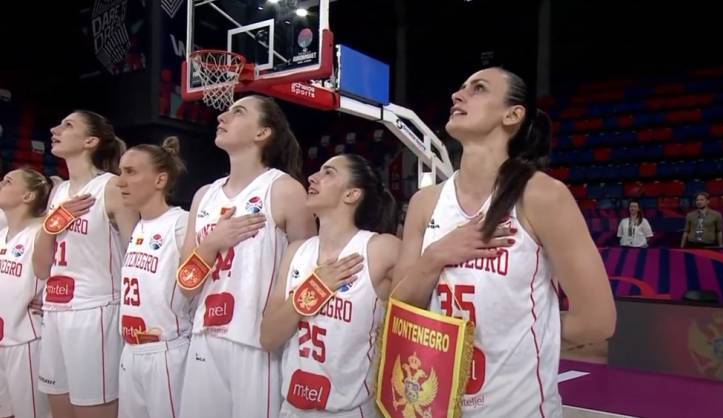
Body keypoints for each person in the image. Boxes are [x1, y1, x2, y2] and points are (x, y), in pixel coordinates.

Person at [391, 67, 616, 417]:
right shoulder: (425, 202)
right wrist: (436, 256)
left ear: (512, 115)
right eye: (461, 87)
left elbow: (598, 320)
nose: (457, 95)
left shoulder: (542, 195)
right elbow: (399, 309)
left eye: (478, 88)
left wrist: (514, 335)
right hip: (437, 406)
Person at [179, 95, 316, 418]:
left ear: (262, 133)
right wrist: (212, 244)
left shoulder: (284, 190)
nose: (222, 117)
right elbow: (185, 285)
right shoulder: (204, 195)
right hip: (204, 335)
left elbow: (306, 268)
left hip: (257, 341)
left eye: (238, 112)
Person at [261, 154, 400, 417]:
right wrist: (314, 289)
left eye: (329, 172)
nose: (312, 178)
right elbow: (268, 337)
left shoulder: (380, 249)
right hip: (292, 408)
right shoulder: (296, 251)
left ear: (352, 194)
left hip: (350, 409)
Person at [32, 110, 139, 418]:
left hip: (95, 311)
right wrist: (50, 226)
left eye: (68, 125)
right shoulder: (58, 191)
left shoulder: (112, 187)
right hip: (54, 311)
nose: (55, 129)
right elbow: (41, 269)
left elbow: (134, 255)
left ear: (90, 141)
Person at [116, 137, 192, 418]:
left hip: (166, 351)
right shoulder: (138, 226)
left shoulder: (181, 223)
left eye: (131, 172)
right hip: (130, 350)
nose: (120, 181)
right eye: (121, 172)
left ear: (160, 180)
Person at [0, 168, 52, 418]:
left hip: (26, 339)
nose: (1, 183)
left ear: (28, 196)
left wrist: (50, 300)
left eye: (8, 181)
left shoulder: (41, 233)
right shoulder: (2, 234)